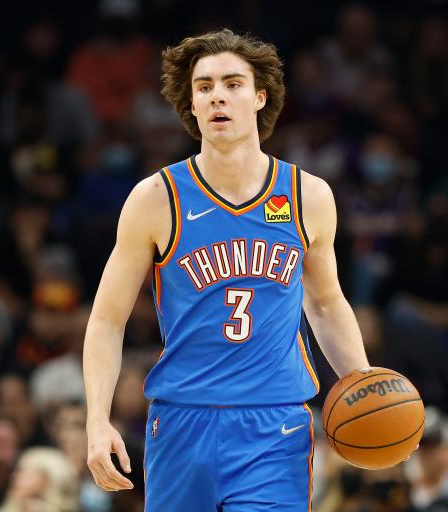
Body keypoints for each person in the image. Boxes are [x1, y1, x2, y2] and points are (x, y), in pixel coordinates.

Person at [83, 29, 371, 511]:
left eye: (233, 83)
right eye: (204, 86)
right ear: (191, 106)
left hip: (274, 425)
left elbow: (324, 303)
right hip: (181, 422)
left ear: (260, 97)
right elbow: (107, 321)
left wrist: (364, 385)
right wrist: (96, 420)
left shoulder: (308, 195)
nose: (218, 95)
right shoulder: (157, 199)